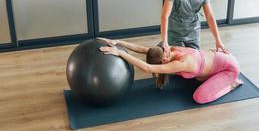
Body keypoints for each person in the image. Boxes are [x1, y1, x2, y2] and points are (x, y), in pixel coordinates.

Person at [98, 37, 243, 104]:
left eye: (160, 66)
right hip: (218, 59)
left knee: (199, 97)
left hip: (229, 68)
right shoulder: (168, 50)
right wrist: (117, 42)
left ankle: (231, 85)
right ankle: (211, 77)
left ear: (163, 61)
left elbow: (147, 68)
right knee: (198, 78)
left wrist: (120, 53)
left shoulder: (182, 63)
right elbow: (143, 49)